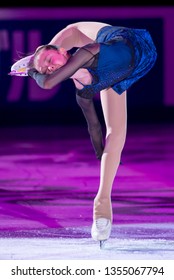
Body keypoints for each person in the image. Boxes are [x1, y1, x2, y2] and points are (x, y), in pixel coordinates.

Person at [26, 21, 157, 245]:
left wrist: (31, 70)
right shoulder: (83, 93)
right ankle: (102, 204)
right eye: (46, 67)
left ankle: (46, 50)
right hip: (120, 75)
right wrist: (102, 156)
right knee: (115, 136)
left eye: (50, 60)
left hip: (130, 43)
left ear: (62, 52)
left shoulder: (88, 52)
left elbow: (47, 83)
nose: (50, 67)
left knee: (72, 29)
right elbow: (94, 127)